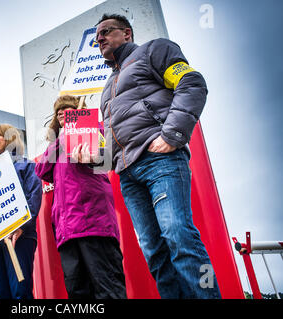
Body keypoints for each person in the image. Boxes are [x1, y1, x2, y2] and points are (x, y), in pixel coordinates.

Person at [78, 13, 221, 298]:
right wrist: (94, 157)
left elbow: (191, 83)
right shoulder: (106, 89)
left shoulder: (154, 50)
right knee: (154, 251)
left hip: (161, 162)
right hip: (128, 176)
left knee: (179, 235)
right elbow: (113, 142)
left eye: (106, 31)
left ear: (127, 33)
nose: (100, 38)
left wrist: (172, 135)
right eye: (97, 36)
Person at [35, 95, 126, 299]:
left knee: (108, 288)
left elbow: (108, 158)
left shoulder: (94, 130)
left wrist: (83, 138)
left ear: (78, 112)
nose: (61, 113)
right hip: (67, 231)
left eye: (66, 109)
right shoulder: (57, 146)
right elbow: (41, 170)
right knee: (77, 293)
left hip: (94, 224)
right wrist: (62, 138)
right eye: (58, 112)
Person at [0, 123, 42, 299]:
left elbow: (33, 198)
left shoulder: (26, 166)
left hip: (18, 236)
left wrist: (22, 227)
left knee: (20, 291)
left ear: (10, 138)